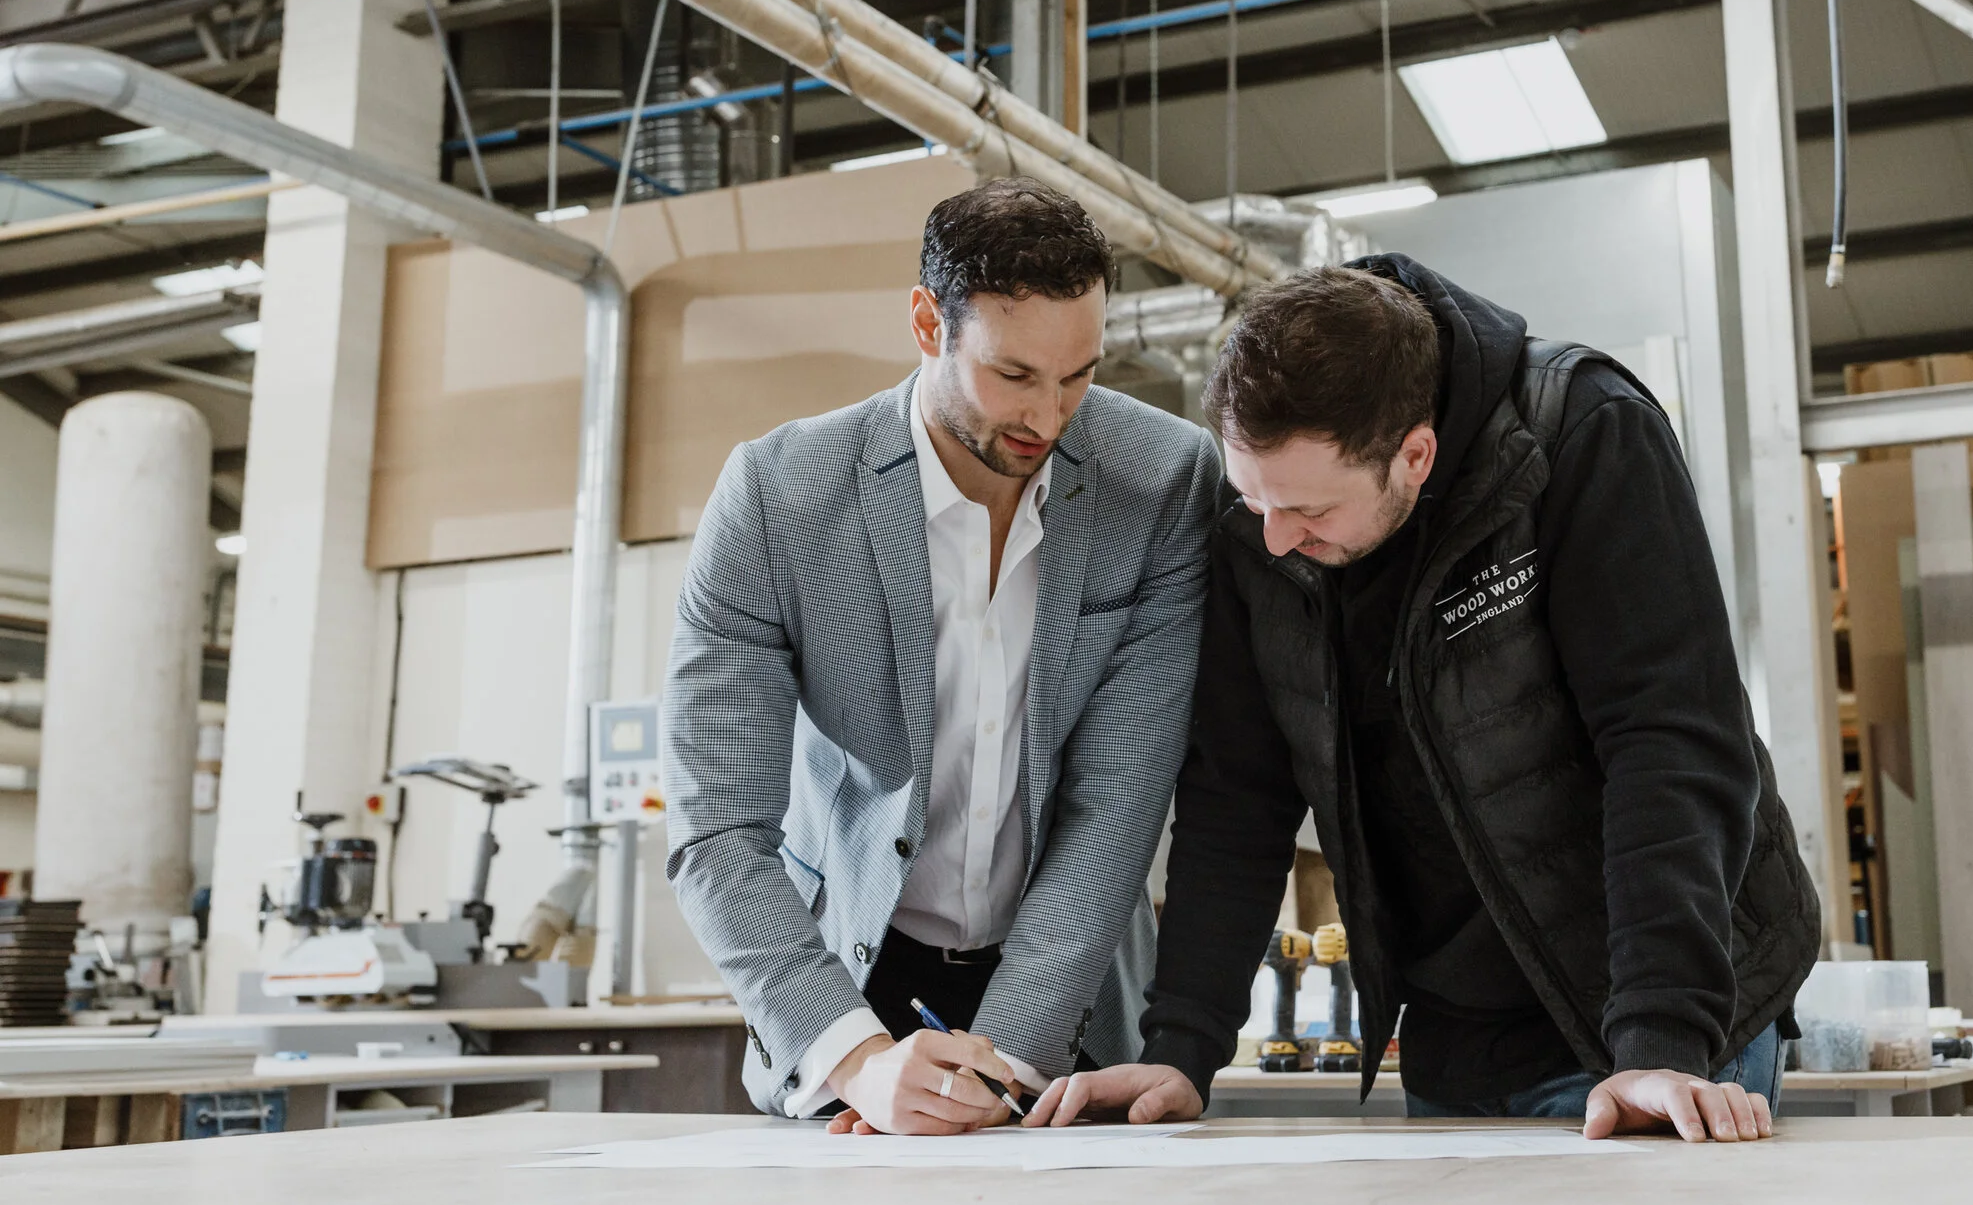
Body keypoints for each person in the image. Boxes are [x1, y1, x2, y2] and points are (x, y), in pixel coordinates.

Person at [1025, 256, 1821, 1142]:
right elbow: (1235, 797)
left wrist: (1661, 1037)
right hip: (1455, 1035)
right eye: (1253, 501)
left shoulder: (1580, 434)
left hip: (1652, 1024)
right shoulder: (1263, 521)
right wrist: (1183, 1043)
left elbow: (1670, 744)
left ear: (1415, 453)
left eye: (1309, 512)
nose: (1276, 538)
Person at [664, 180, 1222, 1134]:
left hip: (1070, 999)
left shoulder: (1165, 480)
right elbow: (717, 827)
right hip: (848, 984)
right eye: (1013, 375)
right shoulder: (776, 497)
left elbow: (1116, 810)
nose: (1049, 417)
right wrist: (857, 1060)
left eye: (1079, 375)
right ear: (928, 322)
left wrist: (995, 1071)